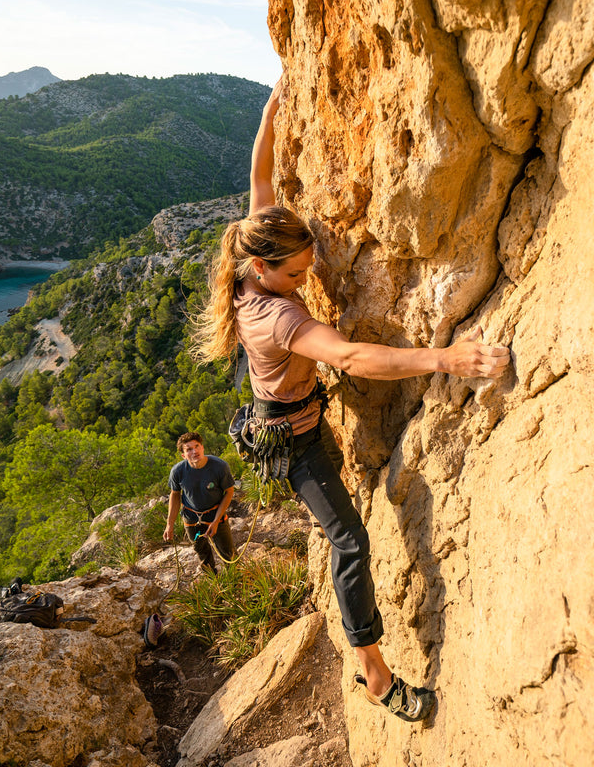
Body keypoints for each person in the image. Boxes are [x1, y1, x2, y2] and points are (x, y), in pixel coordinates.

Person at [192, 77, 510, 723]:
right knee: (351, 542)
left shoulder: (254, 249)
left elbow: (259, 183)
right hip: (295, 444)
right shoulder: (273, 319)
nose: (306, 280)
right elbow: (351, 356)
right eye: (298, 275)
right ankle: (374, 671)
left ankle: (364, 644)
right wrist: (445, 359)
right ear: (264, 273)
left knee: (342, 521)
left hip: (300, 423)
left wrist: (271, 111)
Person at [162, 432, 237, 574]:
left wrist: (215, 521)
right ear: (183, 455)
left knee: (227, 552)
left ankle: (237, 581)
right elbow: (175, 495)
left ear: (202, 447)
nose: (194, 451)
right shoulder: (178, 471)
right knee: (201, 550)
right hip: (192, 520)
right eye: (189, 449)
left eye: (197, 446)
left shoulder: (219, 467)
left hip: (216, 516)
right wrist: (169, 524)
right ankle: (212, 580)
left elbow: (229, 492)